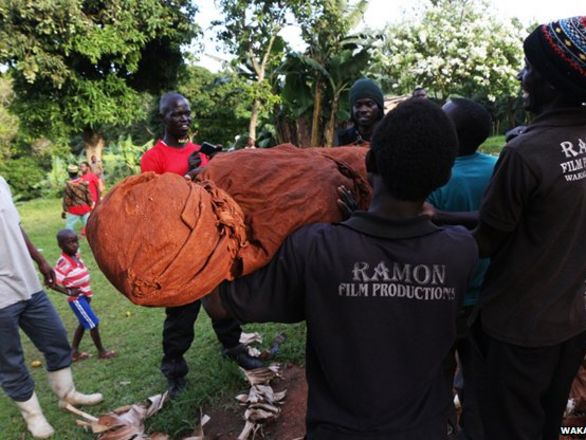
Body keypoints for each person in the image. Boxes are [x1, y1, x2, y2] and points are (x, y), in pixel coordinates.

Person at [204, 98, 478, 439]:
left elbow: (217, 304)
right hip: (423, 429)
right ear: (445, 176)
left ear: (371, 161)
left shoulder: (315, 247)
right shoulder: (460, 251)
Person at [465, 16, 586, 440]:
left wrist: (408, 228)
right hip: (568, 326)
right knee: (543, 427)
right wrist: (440, 216)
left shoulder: (524, 153)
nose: (522, 77)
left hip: (516, 331)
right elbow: (538, 218)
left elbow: (486, 241)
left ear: (551, 84)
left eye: (529, 68)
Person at [140, 91, 263, 397]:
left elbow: (213, 192)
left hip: (210, 239)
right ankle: (175, 370)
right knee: (182, 310)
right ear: (163, 118)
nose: (184, 119)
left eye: (187, 113)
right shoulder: (153, 158)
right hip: (178, 245)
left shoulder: (200, 152)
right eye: (176, 114)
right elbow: (155, 204)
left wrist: (216, 165)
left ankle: (232, 347)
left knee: (222, 299)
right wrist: (186, 174)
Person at [0, 175, 103, 439]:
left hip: (29, 284)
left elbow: (15, 227)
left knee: (56, 339)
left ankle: (67, 395)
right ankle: (33, 417)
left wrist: (40, 260)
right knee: (10, 360)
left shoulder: (1, 182)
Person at [426, 97, 495, 440]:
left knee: (439, 373)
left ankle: (443, 427)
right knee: (478, 377)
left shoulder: (434, 179)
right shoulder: (498, 168)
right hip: (488, 297)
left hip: (443, 298)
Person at [53, 229, 116, 362]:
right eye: (70, 243)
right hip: (77, 299)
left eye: (76, 241)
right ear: (61, 245)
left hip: (85, 297)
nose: (75, 245)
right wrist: (68, 292)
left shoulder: (75, 256)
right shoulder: (63, 263)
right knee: (93, 323)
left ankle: (74, 352)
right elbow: (52, 283)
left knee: (83, 323)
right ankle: (102, 352)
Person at [335, 78, 384, 146]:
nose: (363, 110)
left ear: (379, 107)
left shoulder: (389, 135)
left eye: (369, 104)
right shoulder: (344, 137)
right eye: (358, 105)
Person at [62, 164, 93, 234]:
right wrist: (90, 204)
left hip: (74, 209)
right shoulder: (84, 183)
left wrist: (65, 210)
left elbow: (67, 199)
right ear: (77, 172)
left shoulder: (68, 185)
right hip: (85, 208)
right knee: (89, 225)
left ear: (69, 174)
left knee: (69, 225)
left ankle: (69, 238)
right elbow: (88, 195)